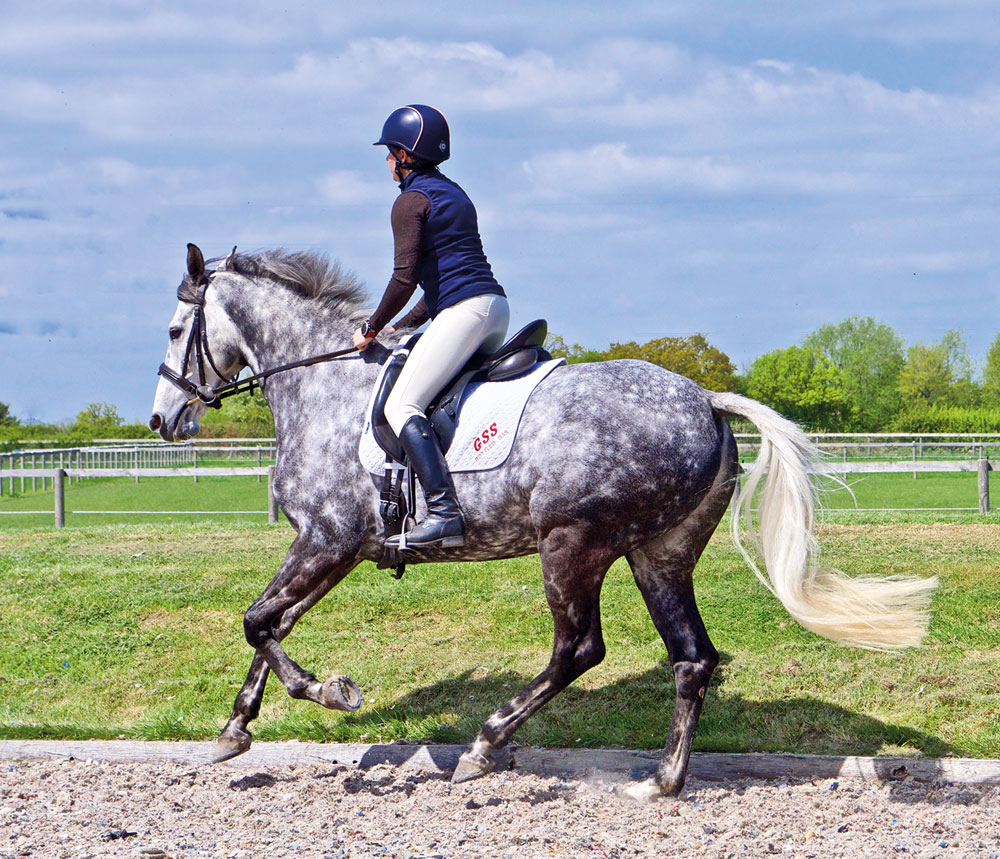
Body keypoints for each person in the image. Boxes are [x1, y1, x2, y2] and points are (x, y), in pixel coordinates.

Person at [354, 104, 509, 549]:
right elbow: (435, 287)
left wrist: (370, 327)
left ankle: (444, 512)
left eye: (389, 153)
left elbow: (404, 277)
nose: (386, 161)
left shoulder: (409, 202)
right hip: (492, 308)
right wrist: (398, 329)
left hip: (464, 311)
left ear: (404, 155)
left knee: (401, 406)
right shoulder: (455, 193)